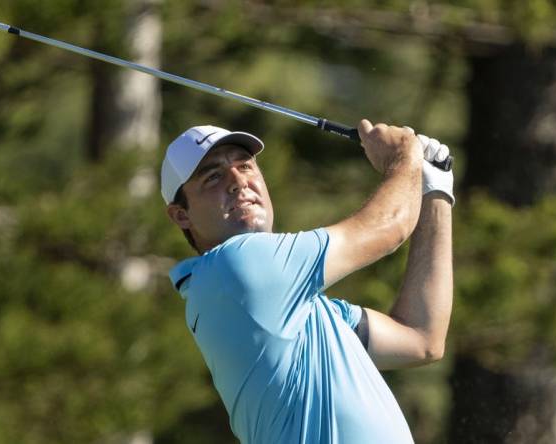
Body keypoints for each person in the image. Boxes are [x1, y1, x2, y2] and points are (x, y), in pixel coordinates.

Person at [161, 120, 454, 443]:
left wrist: (435, 192)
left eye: (245, 166)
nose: (238, 181)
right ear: (181, 215)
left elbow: (421, 338)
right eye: (213, 176)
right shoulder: (235, 265)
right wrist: (403, 157)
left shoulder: (294, 307)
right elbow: (389, 227)